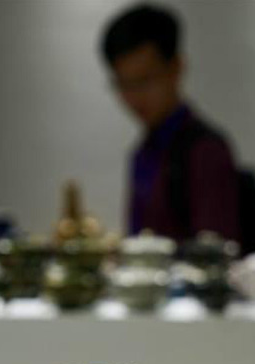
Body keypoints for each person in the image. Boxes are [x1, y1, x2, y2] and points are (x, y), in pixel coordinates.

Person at [100, 3, 241, 244]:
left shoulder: (206, 151)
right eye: (124, 84)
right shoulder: (143, 152)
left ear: (176, 68)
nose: (135, 97)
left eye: (145, 80)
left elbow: (215, 255)